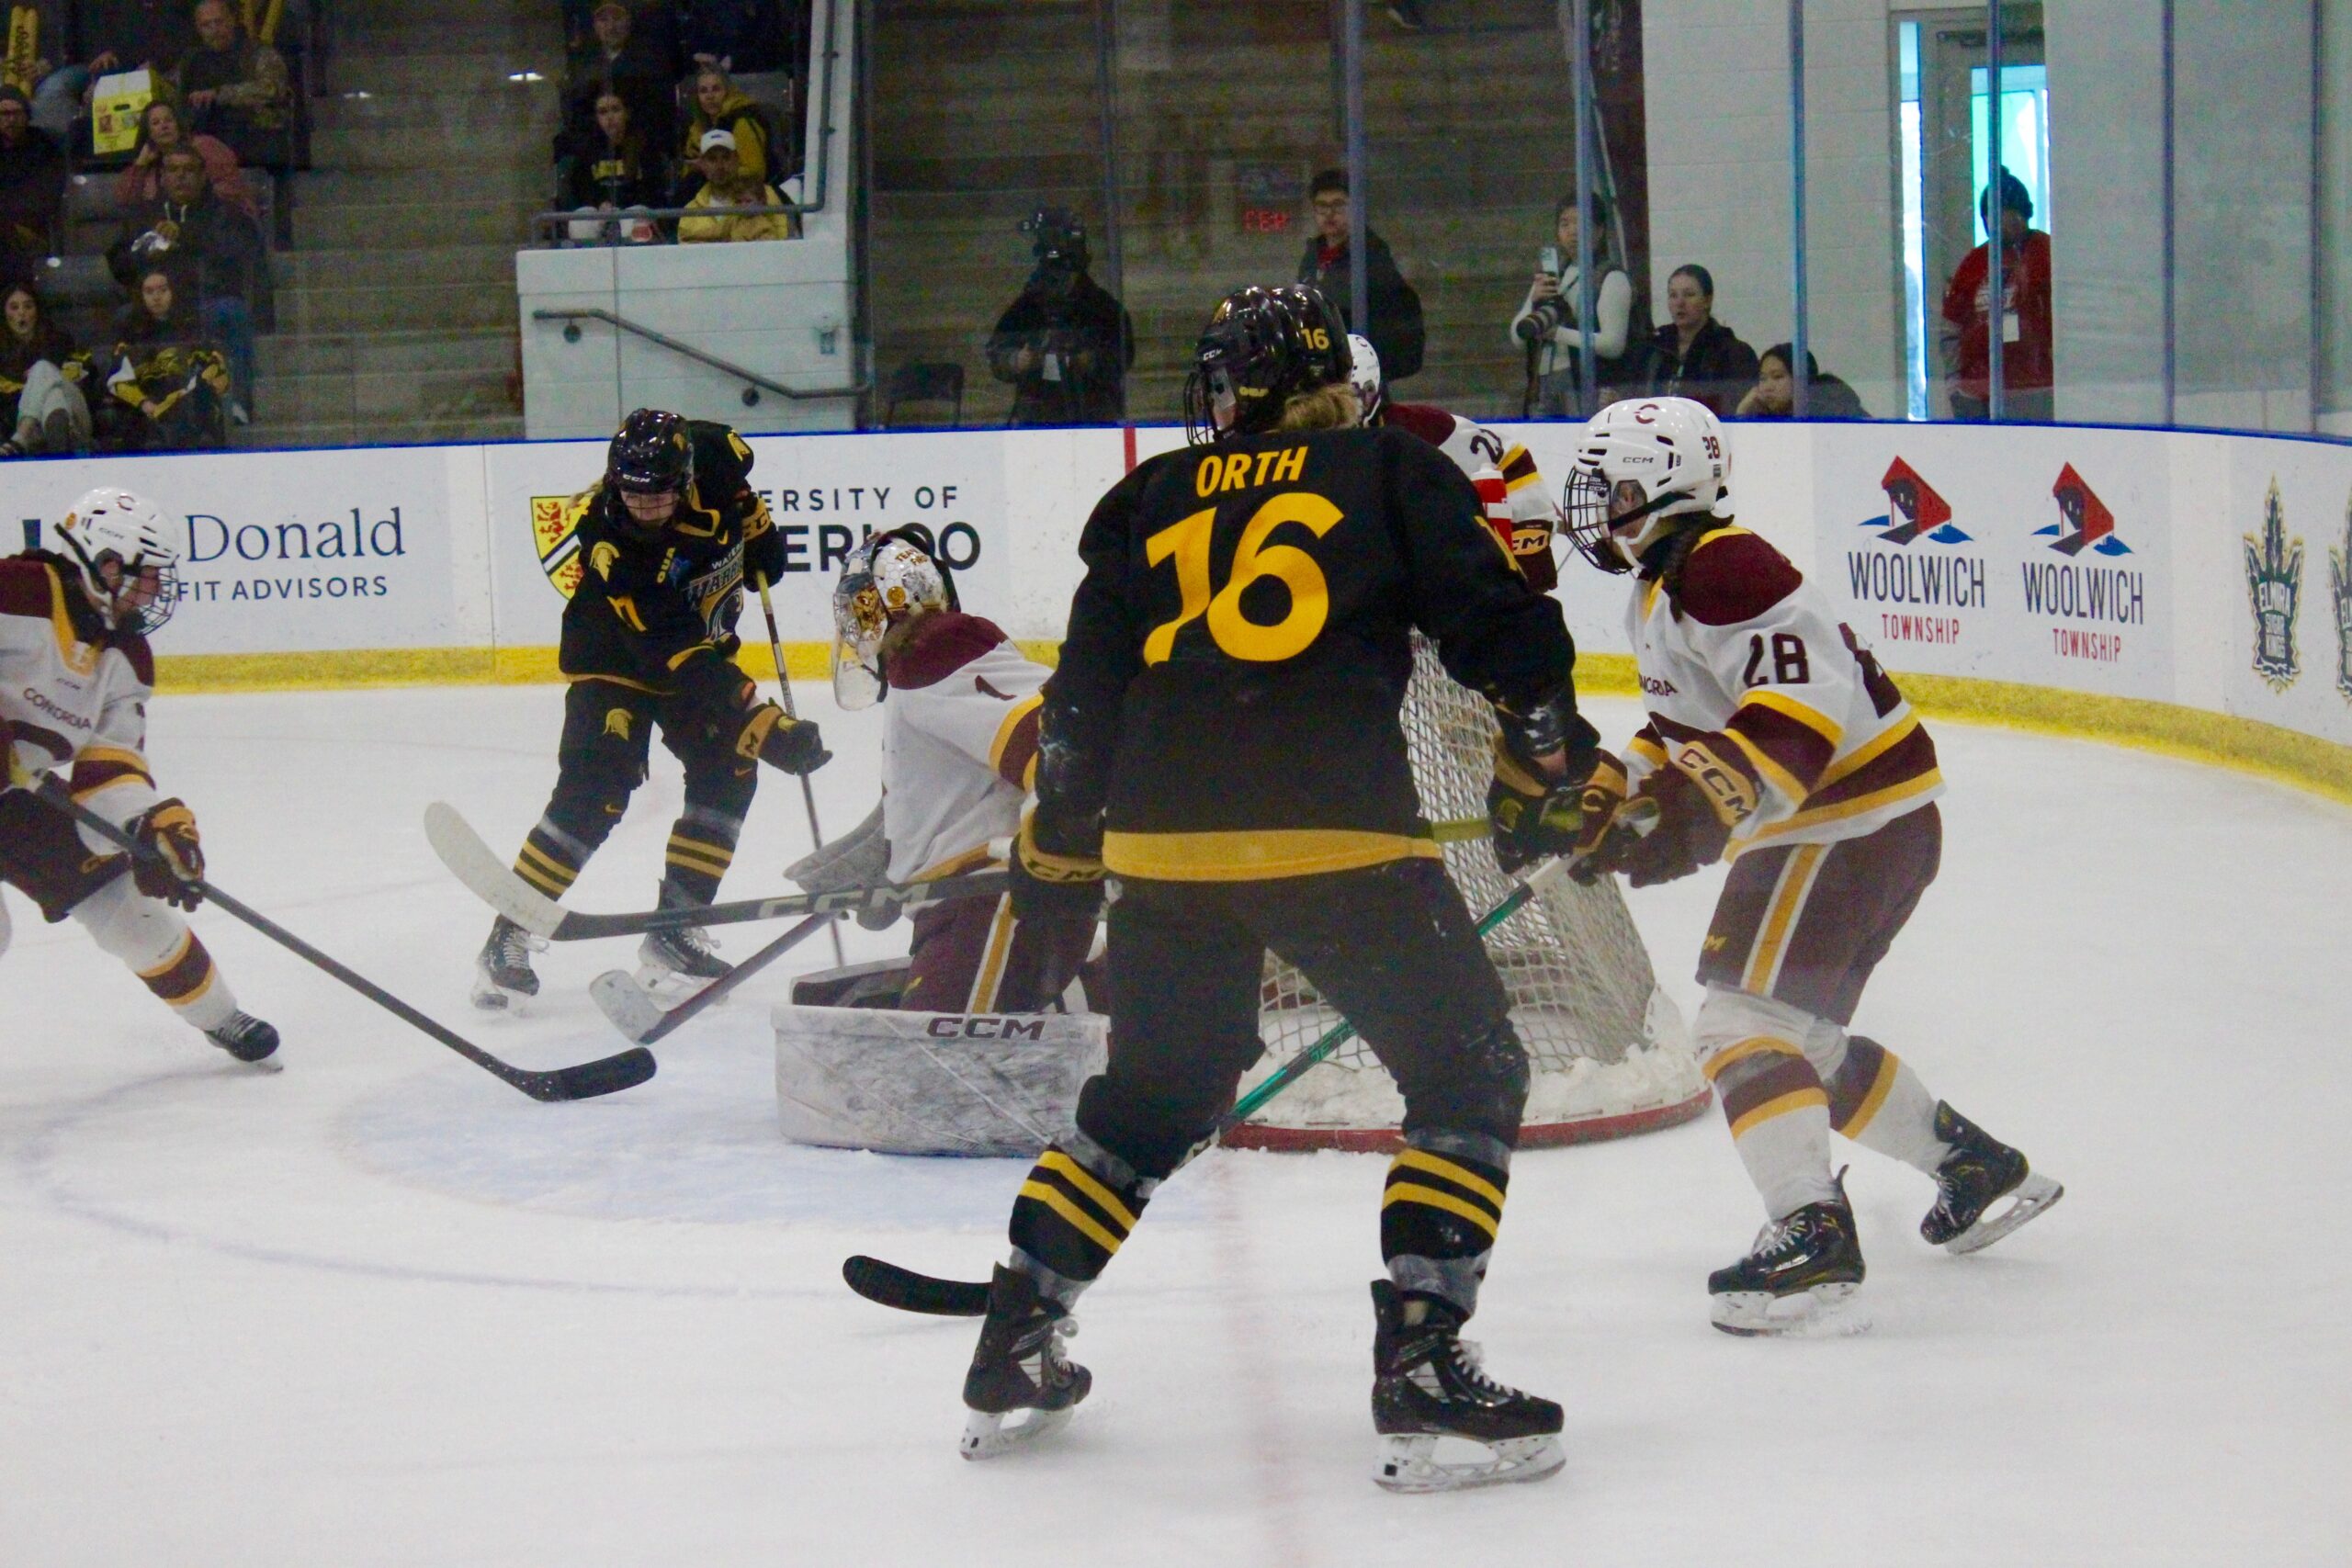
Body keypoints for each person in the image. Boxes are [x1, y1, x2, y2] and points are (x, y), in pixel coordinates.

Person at [956, 283, 1597, 1493]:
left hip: (1162, 848)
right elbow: (1503, 632)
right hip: (1335, 836)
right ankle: (1423, 1356)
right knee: (1470, 1072)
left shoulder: (1145, 499)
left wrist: (1060, 834)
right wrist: (1549, 751)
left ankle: (1018, 1331)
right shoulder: (1386, 470)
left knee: (1153, 1096)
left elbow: (1082, 695)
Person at [1560, 395, 2063, 1337]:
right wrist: (1609, 787)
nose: (1598, 505)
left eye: (1614, 486)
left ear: (1666, 485)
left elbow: (1803, 706)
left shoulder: (1726, 568)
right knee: (1794, 1034)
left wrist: (1683, 813)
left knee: (1736, 1024)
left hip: (1843, 825)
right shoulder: (1670, 583)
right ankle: (1973, 1167)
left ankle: (1810, 1229)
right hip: (1866, 828)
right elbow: (1686, 729)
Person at [472, 409, 831, 1009]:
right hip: (617, 654)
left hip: (697, 647)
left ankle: (675, 931)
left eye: (657, 495)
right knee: (598, 785)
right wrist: (764, 723)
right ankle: (509, 932)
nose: (643, 507)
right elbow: (679, 656)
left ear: (685, 478)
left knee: (729, 768)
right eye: (631, 494)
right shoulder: (614, 545)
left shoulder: (716, 455)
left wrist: (759, 533)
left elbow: (750, 517)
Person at [1, 487, 279, 1065]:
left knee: (130, 913)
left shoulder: (126, 655)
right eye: (147, 573)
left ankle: (222, 1017)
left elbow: (108, 769)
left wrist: (146, 828)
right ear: (104, 562)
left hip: (17, 796)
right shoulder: (19, 591)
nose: (155, 589)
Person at [786, 528, 1094, 1013]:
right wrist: (886, 865)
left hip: (990, 898)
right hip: (964, 905)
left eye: (863, 609)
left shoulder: (933, 649)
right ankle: (1113, 988)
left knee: (935, 1072)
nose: (856, 626)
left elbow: (1050, 744)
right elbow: (950, 793)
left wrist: (1064, 832)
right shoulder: (920, 676)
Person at [1349, 331, 1559, 592]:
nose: (1342, 409)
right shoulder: (1300, 444)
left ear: (1374, 389)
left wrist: (1529, 559)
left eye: (1353, 395)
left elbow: (1510, 460)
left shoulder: (1423, 430)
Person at [106, 145, 260, 419]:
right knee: (122, 316)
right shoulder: (145, 215)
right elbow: (119, 264)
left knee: (233, 313)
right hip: (155, 310)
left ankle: (237, 404)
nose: (181, 176)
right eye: (173, 170)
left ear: (203, 176)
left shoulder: (225, 213)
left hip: (205, 304)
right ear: (162, 177)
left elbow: (240, 253)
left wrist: (185, 237)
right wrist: (143, 254)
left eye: (189, 170)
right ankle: (130, 408)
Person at [981, 208, 1131, 427]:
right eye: (1052, 274)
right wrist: (1018, 360)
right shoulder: (1029, 307)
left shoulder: (1101, 307)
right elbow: (997, 351)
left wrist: (1089, 360)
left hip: (1093, 414)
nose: (1058, 282)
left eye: (1066, 274)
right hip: (1037, 416)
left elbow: (1122, 356)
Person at [1509, 191, 1636, 419]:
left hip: (1585, 383)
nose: (1572, 231)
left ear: (1599, 230)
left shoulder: (1610, 277)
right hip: (1544, 381)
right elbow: (1519, 336)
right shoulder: (1553, 274)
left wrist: (1558, 333)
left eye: (1581, 223)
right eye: (1564, 223)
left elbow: (1613, 344)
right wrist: (1534, 302)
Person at [1939, 168, 2052, 422]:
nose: (2000, 221)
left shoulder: (2046, 255)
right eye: (1992, 215)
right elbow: (1950, 329)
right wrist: (1956, 386)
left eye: (2008, 213)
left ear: (2024, 213)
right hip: (1978, 390)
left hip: (2037, 388)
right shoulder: (1974, 263)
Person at [1296, 167, 1424, 385]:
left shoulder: (1370, 256)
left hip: (1358, 375)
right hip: (1325, 369)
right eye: (1322, 206)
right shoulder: (1313, 256)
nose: (1329, 213)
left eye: (1338, 205)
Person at [104, 263, 229, 450]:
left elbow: (215, 368)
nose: (156, 297)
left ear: (173, 292)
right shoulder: (129, 334)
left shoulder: (192, 328)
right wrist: (144, 403)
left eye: (162, 290)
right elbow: (117, 379)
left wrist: (184, 396)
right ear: (141, 296)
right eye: (149, 291)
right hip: (146, 412)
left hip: (187, 408)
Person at [173, 0, 293, 169]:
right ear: (198, 29)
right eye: (206, 25)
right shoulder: (191, 62)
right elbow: (178, 99)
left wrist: (220, 95)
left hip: (256, 143)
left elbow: (273, 89)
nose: (214, 30)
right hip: (208, 148)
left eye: (219, 21)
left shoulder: (257, 54)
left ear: (233, 20)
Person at [1636, 264, 1758, 417]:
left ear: (1707, 300)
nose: (1680, 303)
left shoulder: (1732, 351)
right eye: (1673, 295)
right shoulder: (1654, 348)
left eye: (1689, 294)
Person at [568, 0, 675, 163]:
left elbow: (661, 115)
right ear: (595, 26)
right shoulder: (584, 67)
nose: (611, 27)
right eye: (604, 20)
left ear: (629, 21)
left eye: (617, 18)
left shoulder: (650, 63)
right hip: (596, 156)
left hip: (644, 154)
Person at [117, 97, 256, 220]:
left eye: (168, 120)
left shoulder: (205, 146)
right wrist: (140, 164)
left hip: (220, 221)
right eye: (156, 123)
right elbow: (126, 203)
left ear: (178, 124)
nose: (164, 126)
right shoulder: (150, 165)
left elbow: (231, 191)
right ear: (148, 133)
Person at [0, 277, 92, 455]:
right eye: (14, 307)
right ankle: (58, 451)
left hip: (75, 422)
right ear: (4, 313)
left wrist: (40, 377)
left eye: (28, 306)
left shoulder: (61, 342)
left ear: (37, 310)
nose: (21, 313)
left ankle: (20, 440)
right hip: (27, 425)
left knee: (42, 368)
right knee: (53, 398)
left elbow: (86, 382)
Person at [557, 88, 660, 244]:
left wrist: (621, 206)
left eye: (615, 110)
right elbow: (580, 189)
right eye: (603, 112)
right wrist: (600, 204)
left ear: (626, 113)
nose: (610, 117)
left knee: (636, 221)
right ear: (596, 118)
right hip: (600, 211)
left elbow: (652, 190)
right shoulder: (587, 150)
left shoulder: (644, 147)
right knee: (580, 223)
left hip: (632, 210)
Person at [675, 127, 794, 243]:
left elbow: (781, 240)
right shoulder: (690, 211)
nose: (720, 166)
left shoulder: (766, 193)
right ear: (702, 164)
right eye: (712, 159)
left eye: (726, 158)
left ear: (737, 159)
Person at [0, 85, 65, 277]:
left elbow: (50, 193)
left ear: (27, 114)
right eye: (4, 114)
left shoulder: (45, 145)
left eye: (16, 113)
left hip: (32, 228)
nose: (10, 119)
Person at [676, 64, 771, 194]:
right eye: (703, 91)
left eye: (716, 89)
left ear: (727, 91)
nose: (710, 96)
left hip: (744, 196)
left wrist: (713, 168)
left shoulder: (741, 122)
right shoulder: (698, 127)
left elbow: (756, 173)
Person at [1734, 342, 1869, 421]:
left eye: (1778, 377)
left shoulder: (1832, 411)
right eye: (1763, 379)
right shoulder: (1764, 415)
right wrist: (1742, 412)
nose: (1767, 387)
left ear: (1801, 380)